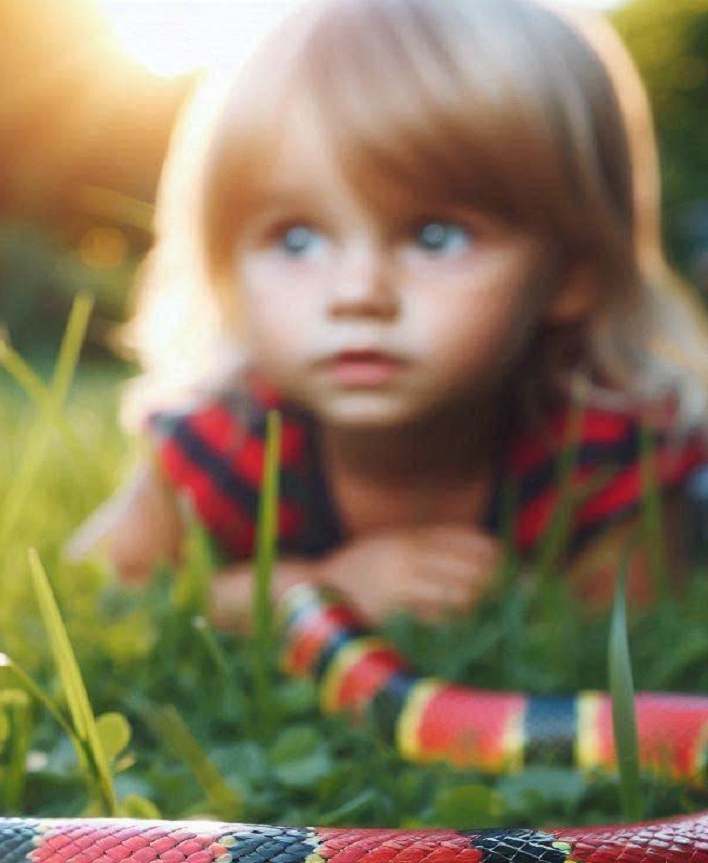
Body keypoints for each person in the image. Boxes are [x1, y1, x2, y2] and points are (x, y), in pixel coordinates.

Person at [68, 0, 708, 630]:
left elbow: (632, 623)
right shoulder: (226, 437)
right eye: (297, 240)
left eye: (436, 237)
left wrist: (520, 609)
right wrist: (309, 592)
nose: (357, 293)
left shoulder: (601, 449)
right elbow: (93, 589)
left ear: (573, 272)